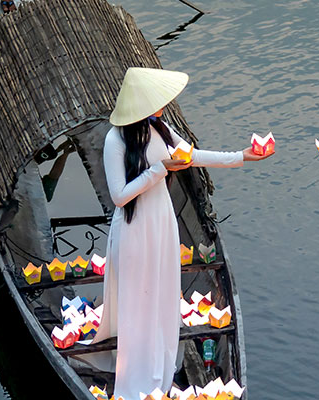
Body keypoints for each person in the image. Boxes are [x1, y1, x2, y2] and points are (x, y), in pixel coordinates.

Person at [98, 67, 272, 397]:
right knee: (136, 299)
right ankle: (136, 376)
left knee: (161, 292)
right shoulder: (115, 140)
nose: (164, 104)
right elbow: (119, 196)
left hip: (162, 221)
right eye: (158, 99)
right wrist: (159, 169)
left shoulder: (160, 127)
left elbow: (191, 156)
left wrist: (242, 157)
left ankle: (159, 365)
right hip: (134, 228)